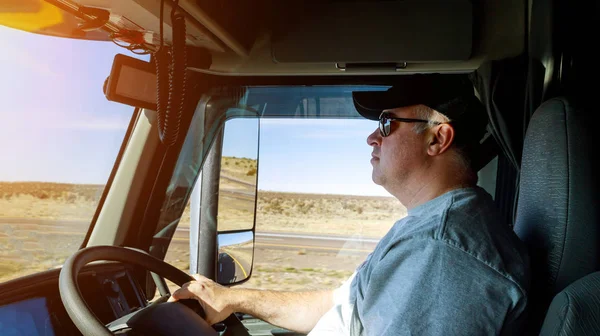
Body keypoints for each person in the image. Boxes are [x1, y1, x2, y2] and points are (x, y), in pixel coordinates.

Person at [168, 74, 531, 335]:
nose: (372, 136)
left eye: (387, 123)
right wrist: (233, 299)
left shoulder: (443, 252)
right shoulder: (429, 227)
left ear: (438, 138)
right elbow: (341, 308)